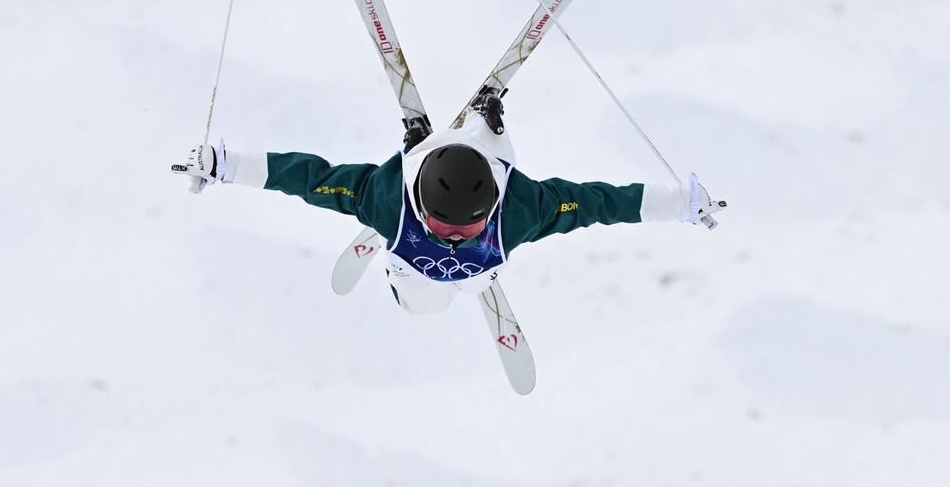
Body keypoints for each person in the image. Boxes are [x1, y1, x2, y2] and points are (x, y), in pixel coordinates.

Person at [173, 105, 727, 315]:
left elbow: (603, 203)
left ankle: (479, 137)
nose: (457, 234)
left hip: (481, 256)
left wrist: (683, 203)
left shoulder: (522, 209)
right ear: (420, 206)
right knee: (425, 305)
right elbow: (309, 178)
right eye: (445, 225)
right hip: (417, 270)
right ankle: (450, 142)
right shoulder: (386, 201)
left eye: (467, 224)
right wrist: (224, 163)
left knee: (461, 284)